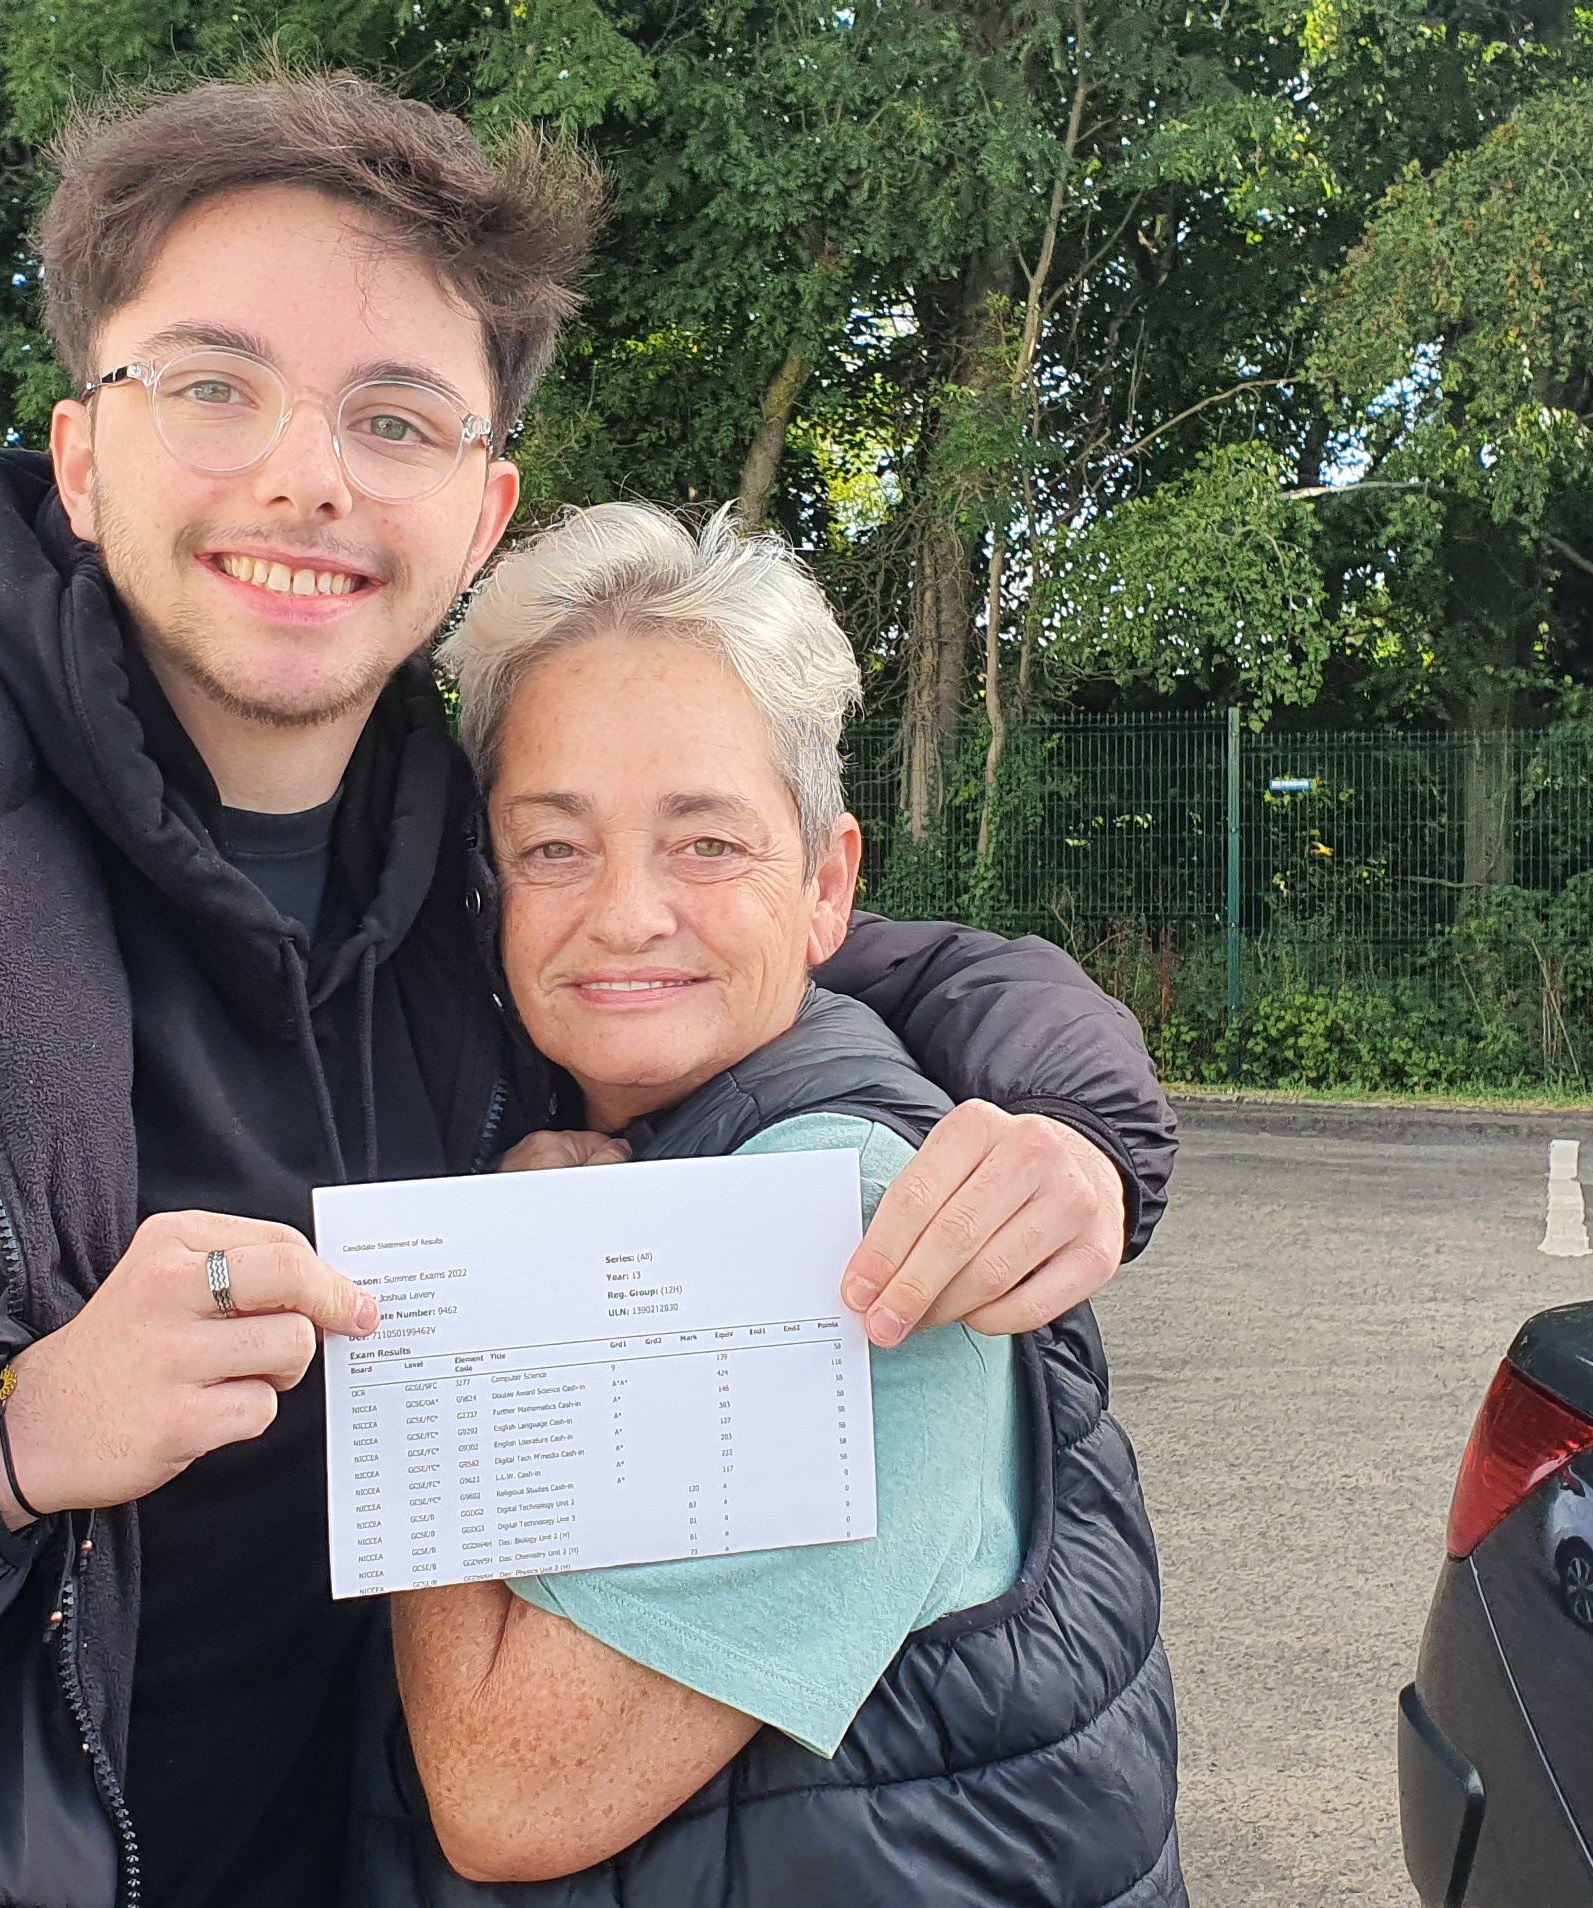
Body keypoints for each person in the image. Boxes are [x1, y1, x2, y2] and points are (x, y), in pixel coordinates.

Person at [0, 72, 1178, 1908]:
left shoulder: (475, 891)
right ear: (84, 450)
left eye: (395, 416)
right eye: (214, 385)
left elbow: (799, 959)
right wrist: (4, 1434)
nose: (305, 475)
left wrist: (1085, 1135)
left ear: (479, 502)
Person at [360, 504, 1177, 1905]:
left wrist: (462, 1294)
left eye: (707, 845)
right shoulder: (639, 1135)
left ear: (827, 886)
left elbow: (506, 1790)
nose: (623, 913)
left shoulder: (830, 1224)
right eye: (554, 847)